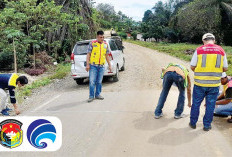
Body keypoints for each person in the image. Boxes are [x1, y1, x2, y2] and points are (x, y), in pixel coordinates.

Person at [189, 33, 228, 131]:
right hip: (214, 84)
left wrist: (200, 71)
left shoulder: (199, 50)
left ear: (203, 41)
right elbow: (225, 68)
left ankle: (193, 123)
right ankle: (206, 126)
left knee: (196, 104)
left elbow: (192, 66)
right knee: (210, 105)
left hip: (200, 84)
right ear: (214, 40)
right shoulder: (221, 50)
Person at [86, 30, 112, 103]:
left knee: (99, 81)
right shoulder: (92, 43)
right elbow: (88, 55)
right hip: (93, 66)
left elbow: (107, 56)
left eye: (103, 37)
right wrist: (87, 65)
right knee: (92, 81)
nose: (102, 38)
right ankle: (91, 96)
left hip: (101, 66)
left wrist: (109, 65)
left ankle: (97, 94)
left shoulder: (105, 44)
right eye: (101, 37)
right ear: (97, 37)